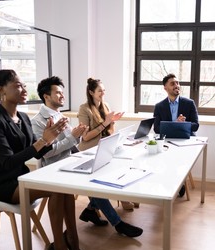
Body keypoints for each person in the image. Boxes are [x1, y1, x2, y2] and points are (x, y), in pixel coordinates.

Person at [0, 69, 87, 250]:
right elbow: (7, 161)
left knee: (66, 187)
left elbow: (37, 149)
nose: (24, 89)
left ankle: (72, 240)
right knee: (56, 189)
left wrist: (49, 140)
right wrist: (42, 141)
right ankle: (60, 249)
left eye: (24, 85)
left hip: (21, 178)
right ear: (1, 90)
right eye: (18, 85)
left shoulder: (24, 118)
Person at [32, 76, 143, 238]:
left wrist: (81, 152)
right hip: (54, 169)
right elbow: (47, 153)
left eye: (63, 92)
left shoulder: (60, 116)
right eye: (58, 93)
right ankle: (117, 223)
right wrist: (75, 138)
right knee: (94, 181)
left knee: (102, 170)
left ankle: (91, 210)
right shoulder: (38, 121)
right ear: (46, 96)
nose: (63, 96)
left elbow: (73, 142)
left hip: (71, 161)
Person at [77, 78, 136, 211]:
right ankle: (108, 203)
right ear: (91, 92)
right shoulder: (84, 109)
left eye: (104, 90)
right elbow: (85, 137)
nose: (103, 93)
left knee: (124, 163)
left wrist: (112, 122)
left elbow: (110, 131)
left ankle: (124, 197)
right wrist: (105, 122)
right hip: (89, 149)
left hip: (104, 146)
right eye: (100, 91)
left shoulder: (106, 105)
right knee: (112, 167)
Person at [153, 73, 200, 197]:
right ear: (165, 88)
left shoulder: (189, 103)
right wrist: (174, 124)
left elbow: (196, 125)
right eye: (172, 83)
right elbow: (157, 129)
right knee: (157, 156)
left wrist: (184, 124)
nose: (176, 85)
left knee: (175, 159)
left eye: (177, 83)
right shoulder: (159, 106)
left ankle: (176, 182)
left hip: (185, 140)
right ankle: (174, 181)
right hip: (168, 141)